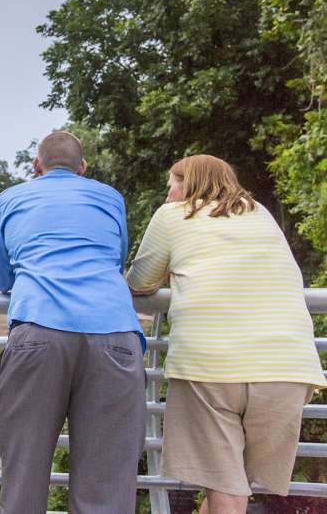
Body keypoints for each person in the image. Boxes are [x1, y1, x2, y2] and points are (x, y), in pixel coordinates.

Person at [127, 155, 324, 514]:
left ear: (186, 183)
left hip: (210, 365)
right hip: (288, 368)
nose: (168, 193)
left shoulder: (173, 214)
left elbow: (139, 282)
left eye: (171, 183)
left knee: (225, 486)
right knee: (234, 486)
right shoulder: (260, 212)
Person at [0, 131, 146, 514]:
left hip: (37, 331)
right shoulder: (110, 197)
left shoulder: (10, 198)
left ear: (36, 166)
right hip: (113, 334)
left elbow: (1, 276)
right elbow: (116, 262)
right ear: (84, 168)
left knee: (23, 473)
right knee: (106, 484)